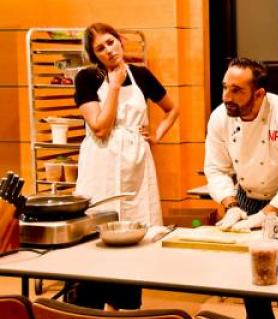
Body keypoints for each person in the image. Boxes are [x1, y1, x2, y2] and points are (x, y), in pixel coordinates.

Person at [71, 22, 179, 310]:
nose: (109, 50)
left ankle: (126, 307)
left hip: (136, 163)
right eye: (100, 48)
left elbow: (172, 108)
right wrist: (115, 86)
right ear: (94, 55)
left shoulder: (141, 74)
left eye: (111, 42)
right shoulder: (86, 78)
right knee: (98, 232)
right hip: (101, 162)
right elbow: (100, 126)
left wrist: (156, 134)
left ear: (120, 40)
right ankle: (89, 308)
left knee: (135, 236)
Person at [204, 57, 278, 319]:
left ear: (259, 94)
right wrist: (230, 205)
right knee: (252, 273)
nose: (226, 96)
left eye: (236, 90)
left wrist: (268, 214)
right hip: (248, 194)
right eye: (225, 87)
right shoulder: (220, 118)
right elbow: (216, 169)